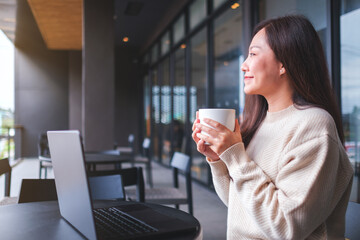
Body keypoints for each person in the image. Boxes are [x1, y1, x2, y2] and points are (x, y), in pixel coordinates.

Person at [192, 15, 353, 240]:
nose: (243, 65)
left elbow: (287, 229)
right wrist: (219, 160)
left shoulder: (314, 126)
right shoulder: (261, 121)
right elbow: (241, 208)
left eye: (253, 54)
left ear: (284, 64)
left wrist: (236, 157)